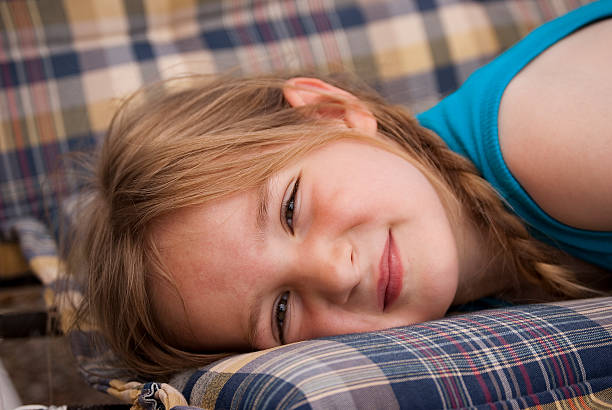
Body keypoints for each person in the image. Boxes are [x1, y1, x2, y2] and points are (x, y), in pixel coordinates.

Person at [70, 1, 612, 377]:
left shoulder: (555, 139)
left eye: (289, 208)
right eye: (281, 313)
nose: (338, 272)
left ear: (333, 113)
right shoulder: (468, 286)